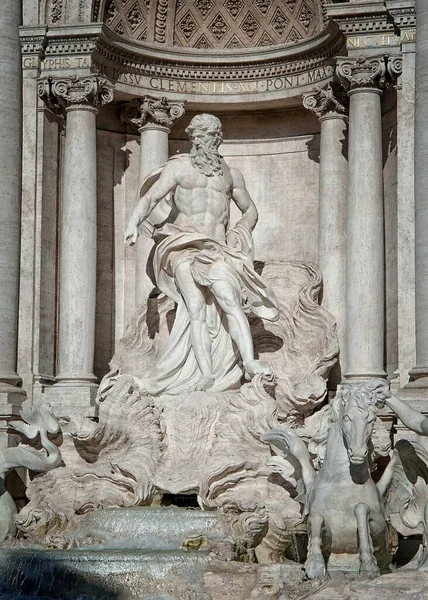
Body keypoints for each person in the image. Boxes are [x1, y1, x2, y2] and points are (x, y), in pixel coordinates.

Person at [125, 113, 278, 395]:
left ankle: (249, 362)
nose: (197, 140)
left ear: (216, 138)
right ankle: (205, 374)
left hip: (216, 248)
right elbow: (150, 198)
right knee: (194, 308)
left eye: (203, 135)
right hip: (182, 245)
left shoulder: (231, 175)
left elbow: (250, 211)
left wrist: (240, 231)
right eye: (194, 135)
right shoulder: (180, 167)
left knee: (230, 299)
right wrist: (133, 223)